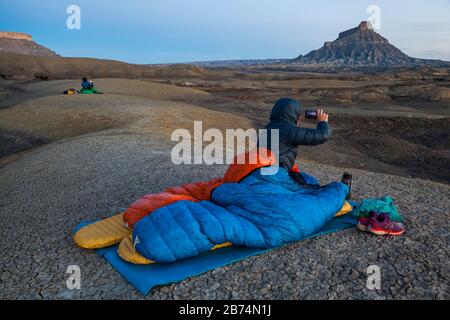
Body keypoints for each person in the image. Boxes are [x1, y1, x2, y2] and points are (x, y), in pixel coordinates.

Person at [261, 98, 331, 188]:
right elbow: (323, 135)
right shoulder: (289, 130)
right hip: (276, 175)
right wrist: (322, 122)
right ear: (293, 115)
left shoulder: (267, 127)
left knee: (306, 180)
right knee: (314, 188)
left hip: (263, 172)